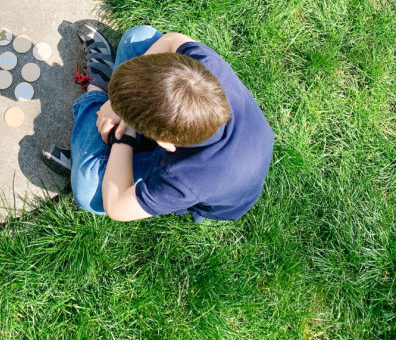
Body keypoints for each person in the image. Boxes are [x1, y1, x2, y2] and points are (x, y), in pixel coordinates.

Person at [43, 24, 274, 222]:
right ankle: (106, 102)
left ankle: (96, 91)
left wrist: (124, 135)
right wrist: (115, 103)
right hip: (219, 146)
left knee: (87, 189)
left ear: (163, 142)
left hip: (202, 176)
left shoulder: (183, 178)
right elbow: (173, 39)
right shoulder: (204, 71)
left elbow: (117, 207)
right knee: (138, 37)